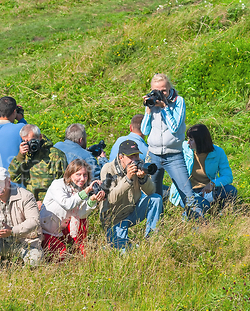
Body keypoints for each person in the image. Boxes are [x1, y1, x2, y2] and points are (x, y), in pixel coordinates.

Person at [140, 73, 207, 218]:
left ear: (169, 88)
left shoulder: (179, 101)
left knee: (187, 193)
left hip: (173, 155)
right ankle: (155, 229)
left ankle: (201, 225)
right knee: (153, 194)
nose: (160, 94)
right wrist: (148, 111)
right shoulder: (152, 103)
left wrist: (165, 108)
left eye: (163, 90)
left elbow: (175, 127)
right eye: (156, 90)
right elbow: (144, 130)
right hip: (153, 155)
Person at [99, 140, 162, 250]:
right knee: (123, 252)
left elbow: (151, 192)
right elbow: (110, 199)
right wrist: (127, 179)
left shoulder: (139, 164)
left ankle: (151, 239)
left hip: (132, 211)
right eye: (131, 157)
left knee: (156, 199)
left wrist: (143, 179)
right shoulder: (108, 169)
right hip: (114, 218)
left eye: (136, 155)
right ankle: (114, 246)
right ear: (121, 157)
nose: (135, 160)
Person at [0, 167, 43, 268]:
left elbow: (34, 222)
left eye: (0, 183)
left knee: (35, 262)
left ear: (8, 181)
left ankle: (24, 275)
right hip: (2, 243)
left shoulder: (26, 196)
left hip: (26, 242)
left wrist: (12, 231)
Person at [40, 159, 105, 260]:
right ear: (70, 175)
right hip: (47, 230)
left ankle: (81, 250)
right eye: (78, 174)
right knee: (62, 254)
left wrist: (92, 200)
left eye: (85, 175)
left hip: (63, 229)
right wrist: (87, 190)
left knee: (82, 220)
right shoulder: (57, 185)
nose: (82, 179)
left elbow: (82, 214)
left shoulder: (80, 190)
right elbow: (67, 204)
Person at [169, 124, 237, 208]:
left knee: (231, 190)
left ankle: (221, 212)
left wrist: (213, 184)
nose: (188, 142)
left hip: (209, 190)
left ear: (200, 141)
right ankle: (190, 215)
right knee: (203, 205)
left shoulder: (218, 152)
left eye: (191, 140)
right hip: (188, 192)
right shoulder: (183, 148)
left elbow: (228, 176)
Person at [8, 124, 67, 203]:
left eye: (31, 141)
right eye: (25, 142)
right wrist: (20, 156)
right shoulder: (24, 156)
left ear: (40, 137)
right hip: (30, 203)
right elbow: (13, 178)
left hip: (50, 204)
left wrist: (46, 202)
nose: (30, 145)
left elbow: (64, 184)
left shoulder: (55, 156)